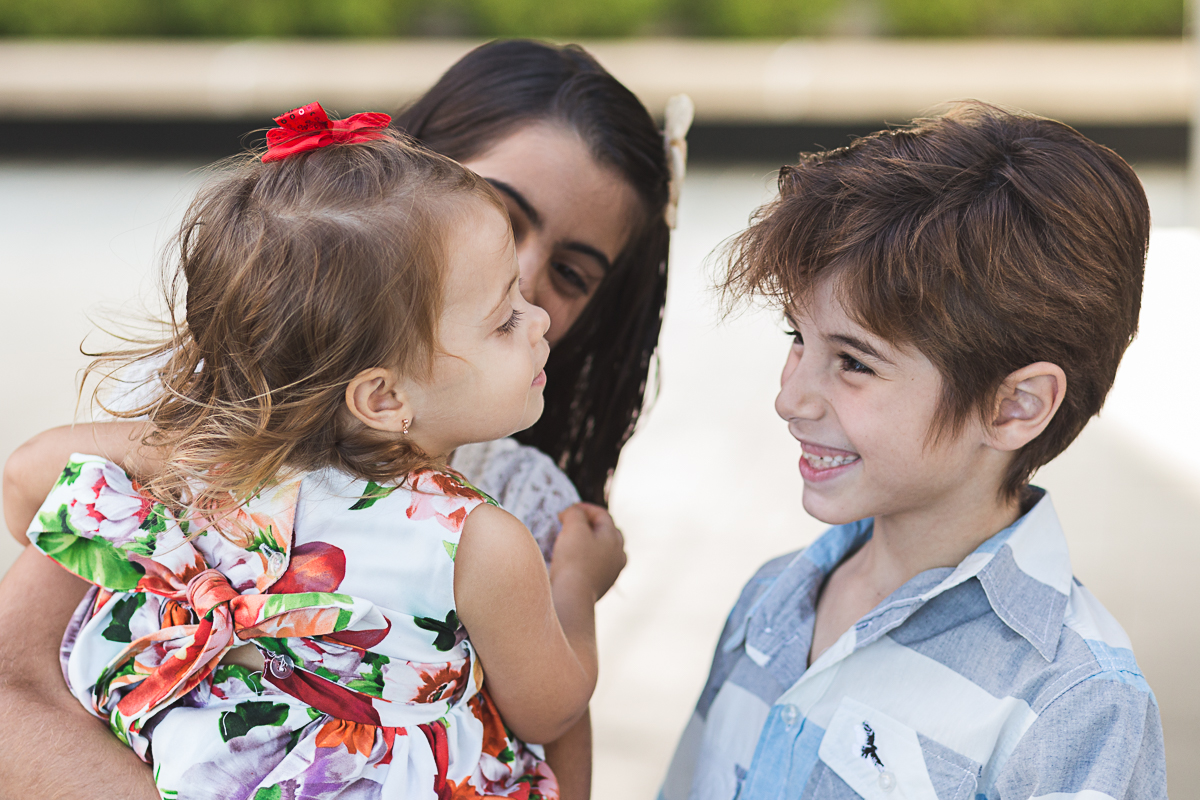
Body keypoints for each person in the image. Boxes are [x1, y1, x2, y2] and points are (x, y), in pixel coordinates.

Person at [0, 39, 682, 799]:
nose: (533, 302)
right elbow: (551, 703)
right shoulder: (482, 537)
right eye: (502, 222)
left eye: (569, 276)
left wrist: (209, 452)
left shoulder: (217, 467)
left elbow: (31, 482)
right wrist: (576, 590)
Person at [660, 104, 1166, 798]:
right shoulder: (771, 600)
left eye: (855, 363)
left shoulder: (1074, 701)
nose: (791, 398)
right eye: (796, 339)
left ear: (1015, 406)